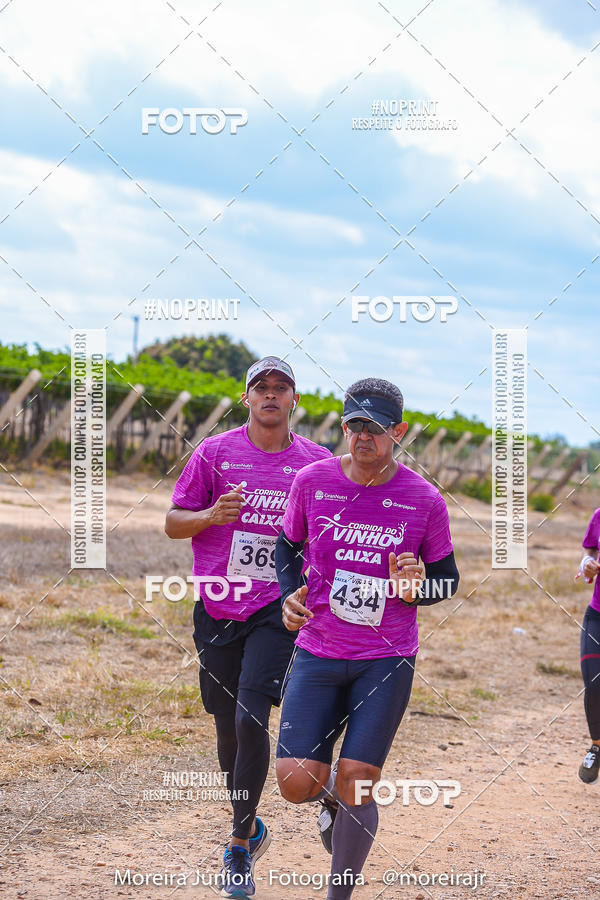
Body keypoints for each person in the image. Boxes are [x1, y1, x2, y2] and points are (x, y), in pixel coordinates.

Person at [274, 377, 460, 900]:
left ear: (398, 431)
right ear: (343, 426)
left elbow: (448, 580)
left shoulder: (424, 499)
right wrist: (288, 595)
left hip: (386, 657)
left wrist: (417, 589)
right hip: (318, 648)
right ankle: (331, 799)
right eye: (355, 425)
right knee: (295, 782)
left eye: (375, 428)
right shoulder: (312, 481)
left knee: (358, 779)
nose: (363, 437)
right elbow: (285, 547)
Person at [165, 356, 331, 898]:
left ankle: (237, 846)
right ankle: (251, 823)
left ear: (294, 400)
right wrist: (211, 516)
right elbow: (172, 523)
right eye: (261, 387)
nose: (271, 395)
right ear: (247, 399)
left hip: (276, 608)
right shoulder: (214, 453)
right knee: (227, 727)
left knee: (250, 716)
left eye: (281, 387)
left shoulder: (316, 464)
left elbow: (333, 532)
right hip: (218, 605)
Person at [576, 509, 600, 783]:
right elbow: (589, 549)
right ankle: (597, 746)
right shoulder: (598, 515)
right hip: (597, 614)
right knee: (594, 684)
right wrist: (587, 564)